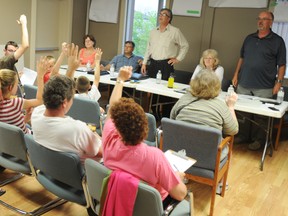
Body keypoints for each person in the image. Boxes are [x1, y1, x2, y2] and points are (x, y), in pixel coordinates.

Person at [102, 66, 187, 209]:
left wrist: (120, 80)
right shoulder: (155, 157)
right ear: (145, 128)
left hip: (116, 201)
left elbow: (112, 110)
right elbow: (180, 194)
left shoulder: (109, 136)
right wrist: (178, 176)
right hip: (149, 209)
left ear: (117, 126)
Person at [232, 11, 286, 150]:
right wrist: (236, 74)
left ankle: (258, 140)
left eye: (264, 19)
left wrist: (278, 82)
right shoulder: (249, 38)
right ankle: (243, 136)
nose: (260, 21)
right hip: (244, 83)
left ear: (271, 22)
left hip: (265, 86)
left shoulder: (277, 41)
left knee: (260, 116)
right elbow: (241, 58)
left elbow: (282, 64)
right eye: (259, 19)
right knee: (242, 113)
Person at [171, 69, 239, 160]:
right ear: (217, 86)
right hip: (208, 157)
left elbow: (172, 120)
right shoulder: (221, 105)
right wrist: (230, 107)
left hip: (180, 152)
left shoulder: (184, 99)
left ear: (194, 83)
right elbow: (233, 130)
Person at [0, 57, 46, 134]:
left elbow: (10, 126)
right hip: (26, 141)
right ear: (10, 87)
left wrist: (26, 118)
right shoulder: (15, 103)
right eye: (16, 84)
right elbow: (40, 101)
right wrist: (40, 77)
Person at [141, 8, 189, 80]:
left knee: (162, 88)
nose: (160, 16)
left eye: (163, 14)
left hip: (166, 64)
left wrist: (178, 59)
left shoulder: (175, 31)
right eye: (159, 14)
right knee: (149, 87)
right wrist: (144, 63)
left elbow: (185, 45)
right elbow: (148, 48)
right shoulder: (153, 31)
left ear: (169, 18)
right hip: (153, 63)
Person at [0, 14, 29, 97]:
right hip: (14, 99)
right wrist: (24, 24)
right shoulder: (6, 61)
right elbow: (25, 45)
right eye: (10, 51)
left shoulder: (8, 64)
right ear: (4, 51)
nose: (13, 54)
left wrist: (15, 76)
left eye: (15, 51)